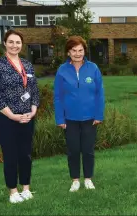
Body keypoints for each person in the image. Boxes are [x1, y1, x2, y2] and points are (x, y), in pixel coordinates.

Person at [0, 29, 40, 203]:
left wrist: (33, 110)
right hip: (5, 118)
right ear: (5, 43)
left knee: (25, 154)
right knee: (10, 154)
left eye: (18, 42)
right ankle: (13, 191)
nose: (14, 45)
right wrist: (13, 116)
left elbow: (33, 90)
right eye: (11, 42)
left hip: (27, 117)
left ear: (21, 45)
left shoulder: (27, 65)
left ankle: (26, 188)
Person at [53, 36, 105, 192]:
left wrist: (98, 115)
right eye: (74, 50)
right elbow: (58, 96)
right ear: (68, 52)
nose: (77, 53)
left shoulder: (93, 68)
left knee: (88, 150)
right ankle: (75, 180)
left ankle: (88, 179)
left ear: (84, 51)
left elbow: (99, 94)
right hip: (70, 119)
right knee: (73, 150)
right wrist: (60, 118)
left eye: (80, 50)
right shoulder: (62, 70)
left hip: (90, 118)